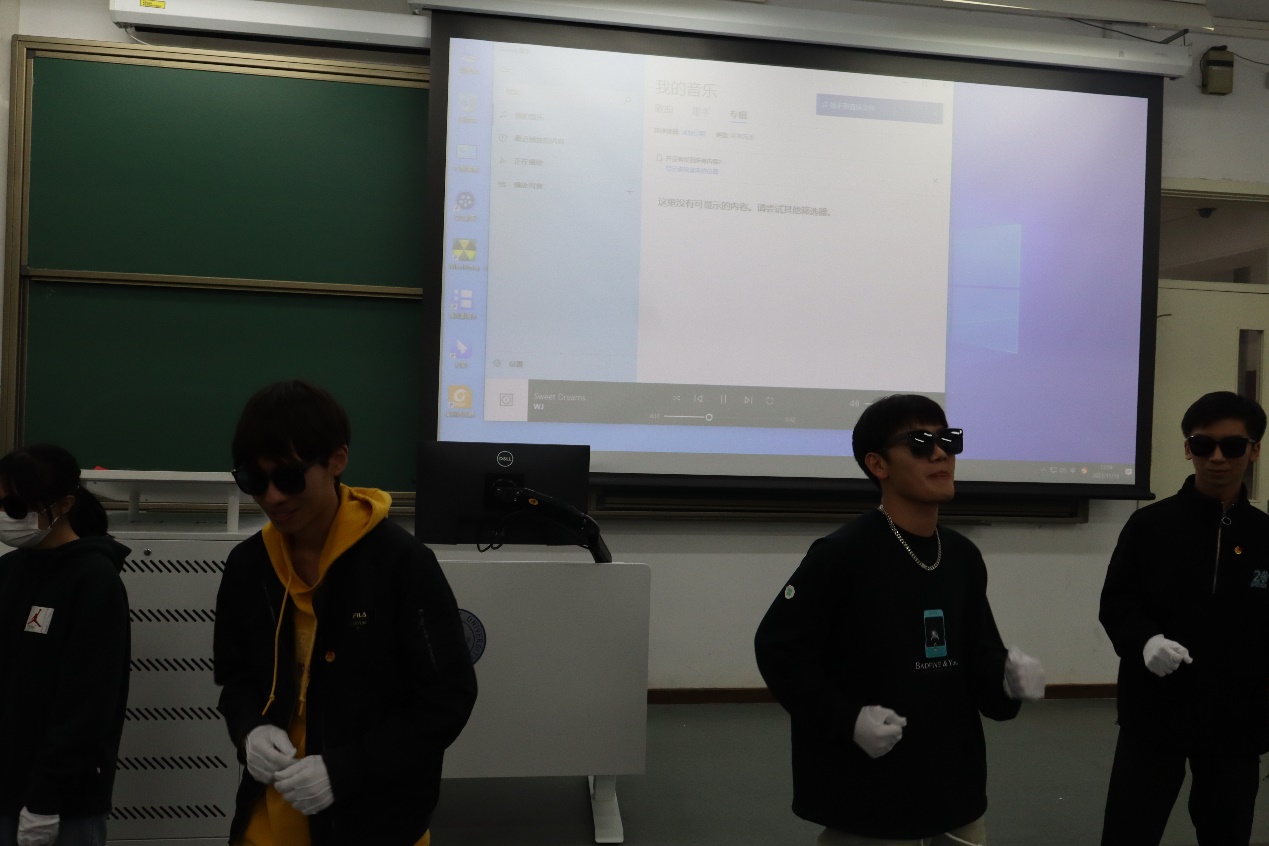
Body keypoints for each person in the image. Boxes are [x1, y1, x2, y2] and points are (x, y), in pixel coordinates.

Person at [754, 394, 1045, 846]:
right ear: (878, 464)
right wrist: (847, 720)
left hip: (954, 794)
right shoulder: (842, 555)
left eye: (948, 440)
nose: (940, 453)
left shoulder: (962, 556)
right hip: (870, 798)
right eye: (919, 443)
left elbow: (979, 653)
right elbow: (780, 649)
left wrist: (1006, 681)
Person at [213, 380, 477, 846]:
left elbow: (446, 699)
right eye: (253, 481)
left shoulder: (401, 564)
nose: (272, 497)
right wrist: (249, 730)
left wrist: (347, 769)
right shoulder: (248, 565)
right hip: (268, 823)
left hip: (376, 822)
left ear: (336, 461)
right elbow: (236, 679)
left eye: (289, 478)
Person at [1099, 390, 1269, 846]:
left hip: (1236, 718)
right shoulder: (1150, 526)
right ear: (1187, 448)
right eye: (1203, 444)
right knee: (1130, 831)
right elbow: (1117, 603)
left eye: (1232, 446)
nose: (1217, 457)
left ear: (1254, 451)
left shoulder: (1265, 536)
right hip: (1154, 710)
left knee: (1227, 831)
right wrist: (1145, 640)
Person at [0, 445, 130, 846]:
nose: (5, 516)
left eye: (15, 506)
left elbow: (87, 705)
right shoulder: (9, 571)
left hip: (62, 804)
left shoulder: (94, 579)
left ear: (64, 505)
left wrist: (45, 800)